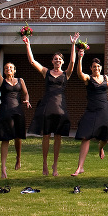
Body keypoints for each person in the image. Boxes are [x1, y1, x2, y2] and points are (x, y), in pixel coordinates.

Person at [23, 33, 79, 176]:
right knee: (46, 136)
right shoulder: (46, 72)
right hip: (47, 106)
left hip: (60, 107)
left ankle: (55, 165)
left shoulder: (66, 74)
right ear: (52, 61)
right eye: (55, 59)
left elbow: (72, 62)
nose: (57, 60)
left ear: (62, 61)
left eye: (60, 59)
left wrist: (73, 44)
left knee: (58, 137)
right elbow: (32, 61)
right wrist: (28, 44)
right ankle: (45, 164)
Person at [72, 51, 108, 176]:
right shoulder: (88, 78)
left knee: (106, 137)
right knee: (85, 136)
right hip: (91, 110)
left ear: (101, 67)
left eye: (98, 66)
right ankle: (80, 167)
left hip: (104, 109)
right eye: (94, 67)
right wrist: (80, 58)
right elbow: (79, 73)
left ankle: (100, 148)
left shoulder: (105, 78)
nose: (97, 68)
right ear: (91, 68)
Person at [0, 44, 31, 178]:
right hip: (5, 111)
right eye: (6, 68)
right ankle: (3, 168)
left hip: (18, 111)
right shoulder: (1, 81)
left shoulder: (20, 80)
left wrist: (27, 100)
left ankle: (18, 157)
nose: (8, 69)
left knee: (18, 137)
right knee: (5, 139)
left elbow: (26, 93)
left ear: (14, 70)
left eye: (10, 68)